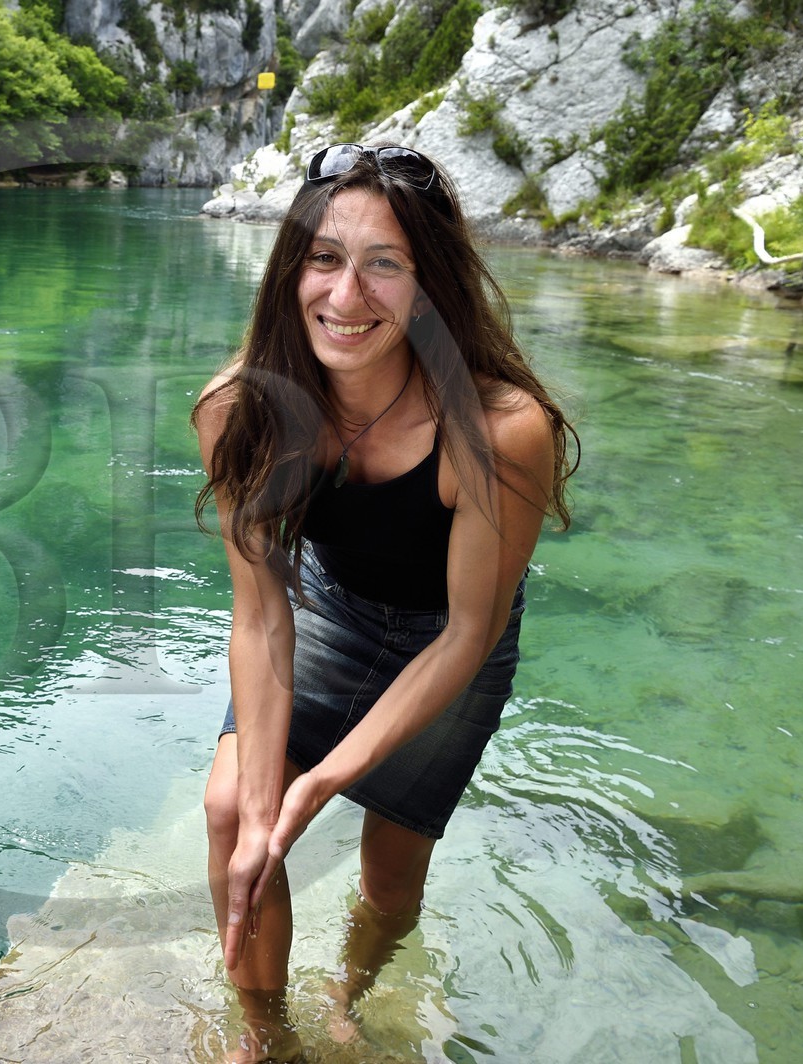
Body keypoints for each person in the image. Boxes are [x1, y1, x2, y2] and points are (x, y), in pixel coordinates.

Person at [191, 142, 577, 1061]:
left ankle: (349, 999)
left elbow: (471, 631)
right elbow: (261, 615)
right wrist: (265, 803)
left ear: (430, 284)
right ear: (291, 268)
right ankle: (264, 1035)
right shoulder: (237, 409)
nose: (345, 295)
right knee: (233, 813)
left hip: (451, 638)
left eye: (384, 266)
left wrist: (323, 779)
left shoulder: (499, 430)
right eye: (324, 259)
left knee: (391, 874)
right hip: (328, 609)